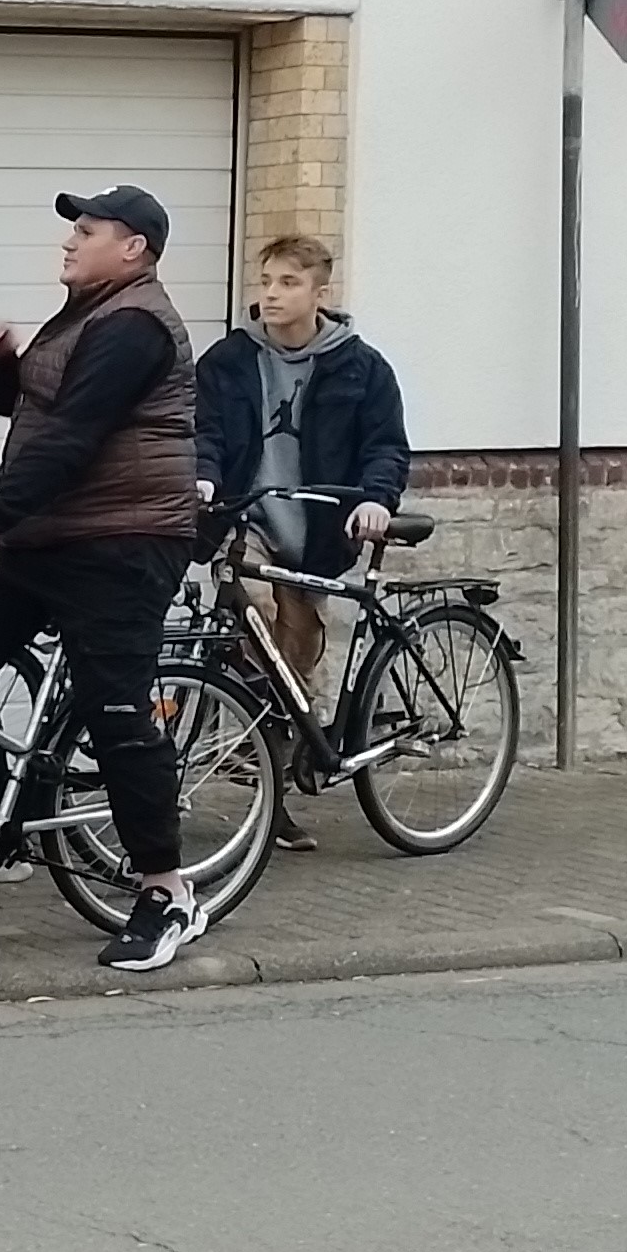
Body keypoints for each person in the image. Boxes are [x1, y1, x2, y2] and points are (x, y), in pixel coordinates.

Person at [0, 186, 202, 972]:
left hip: (122, 538)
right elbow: (24, 409)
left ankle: (165, 892)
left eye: (86, 229)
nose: (68, 242)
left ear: (133, 246)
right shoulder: (84, 312)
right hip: (49, 533)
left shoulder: (135, 324)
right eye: (71, 230)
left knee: (113, 710)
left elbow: (74, 435)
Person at [194, 234, 410, 850]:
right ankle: (250, 751)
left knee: (296, 657)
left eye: (288, 283)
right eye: (265, 281)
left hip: (317, 534)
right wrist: (203, 476)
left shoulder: (360, 366)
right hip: (248, 522)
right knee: (250, 610)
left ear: (321, 293)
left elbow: (386, 446)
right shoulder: (229, 360)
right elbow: (201, 429)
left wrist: (374, 497)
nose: (270, 294)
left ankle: (279, 782)